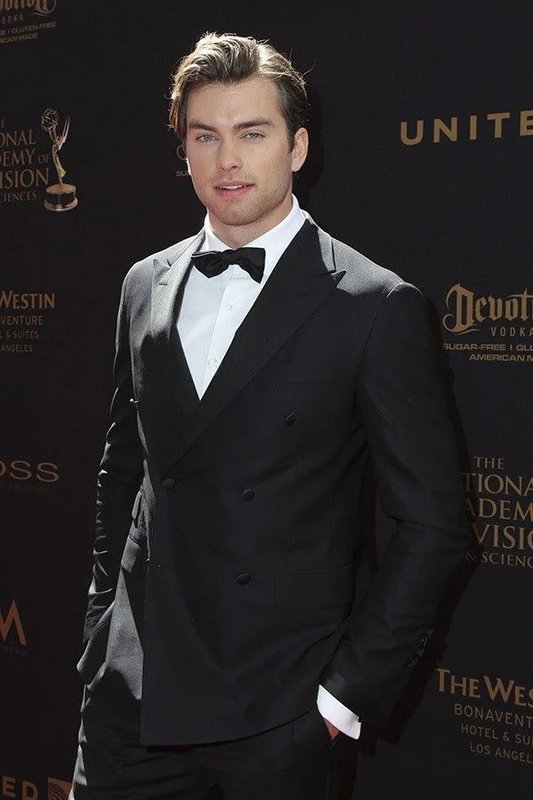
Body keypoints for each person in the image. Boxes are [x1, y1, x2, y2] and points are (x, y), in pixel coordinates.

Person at [70, 31, 470, 800]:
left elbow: (432, 525)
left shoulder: (373, 305)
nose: (227, 159)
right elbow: (123, 471)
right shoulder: (142, 285)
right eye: (205, 136)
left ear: (297, 147)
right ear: (184, 151)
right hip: (131, 705)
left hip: (277, 715)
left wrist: (342, 699)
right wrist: (101, 633)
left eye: (252, 134)